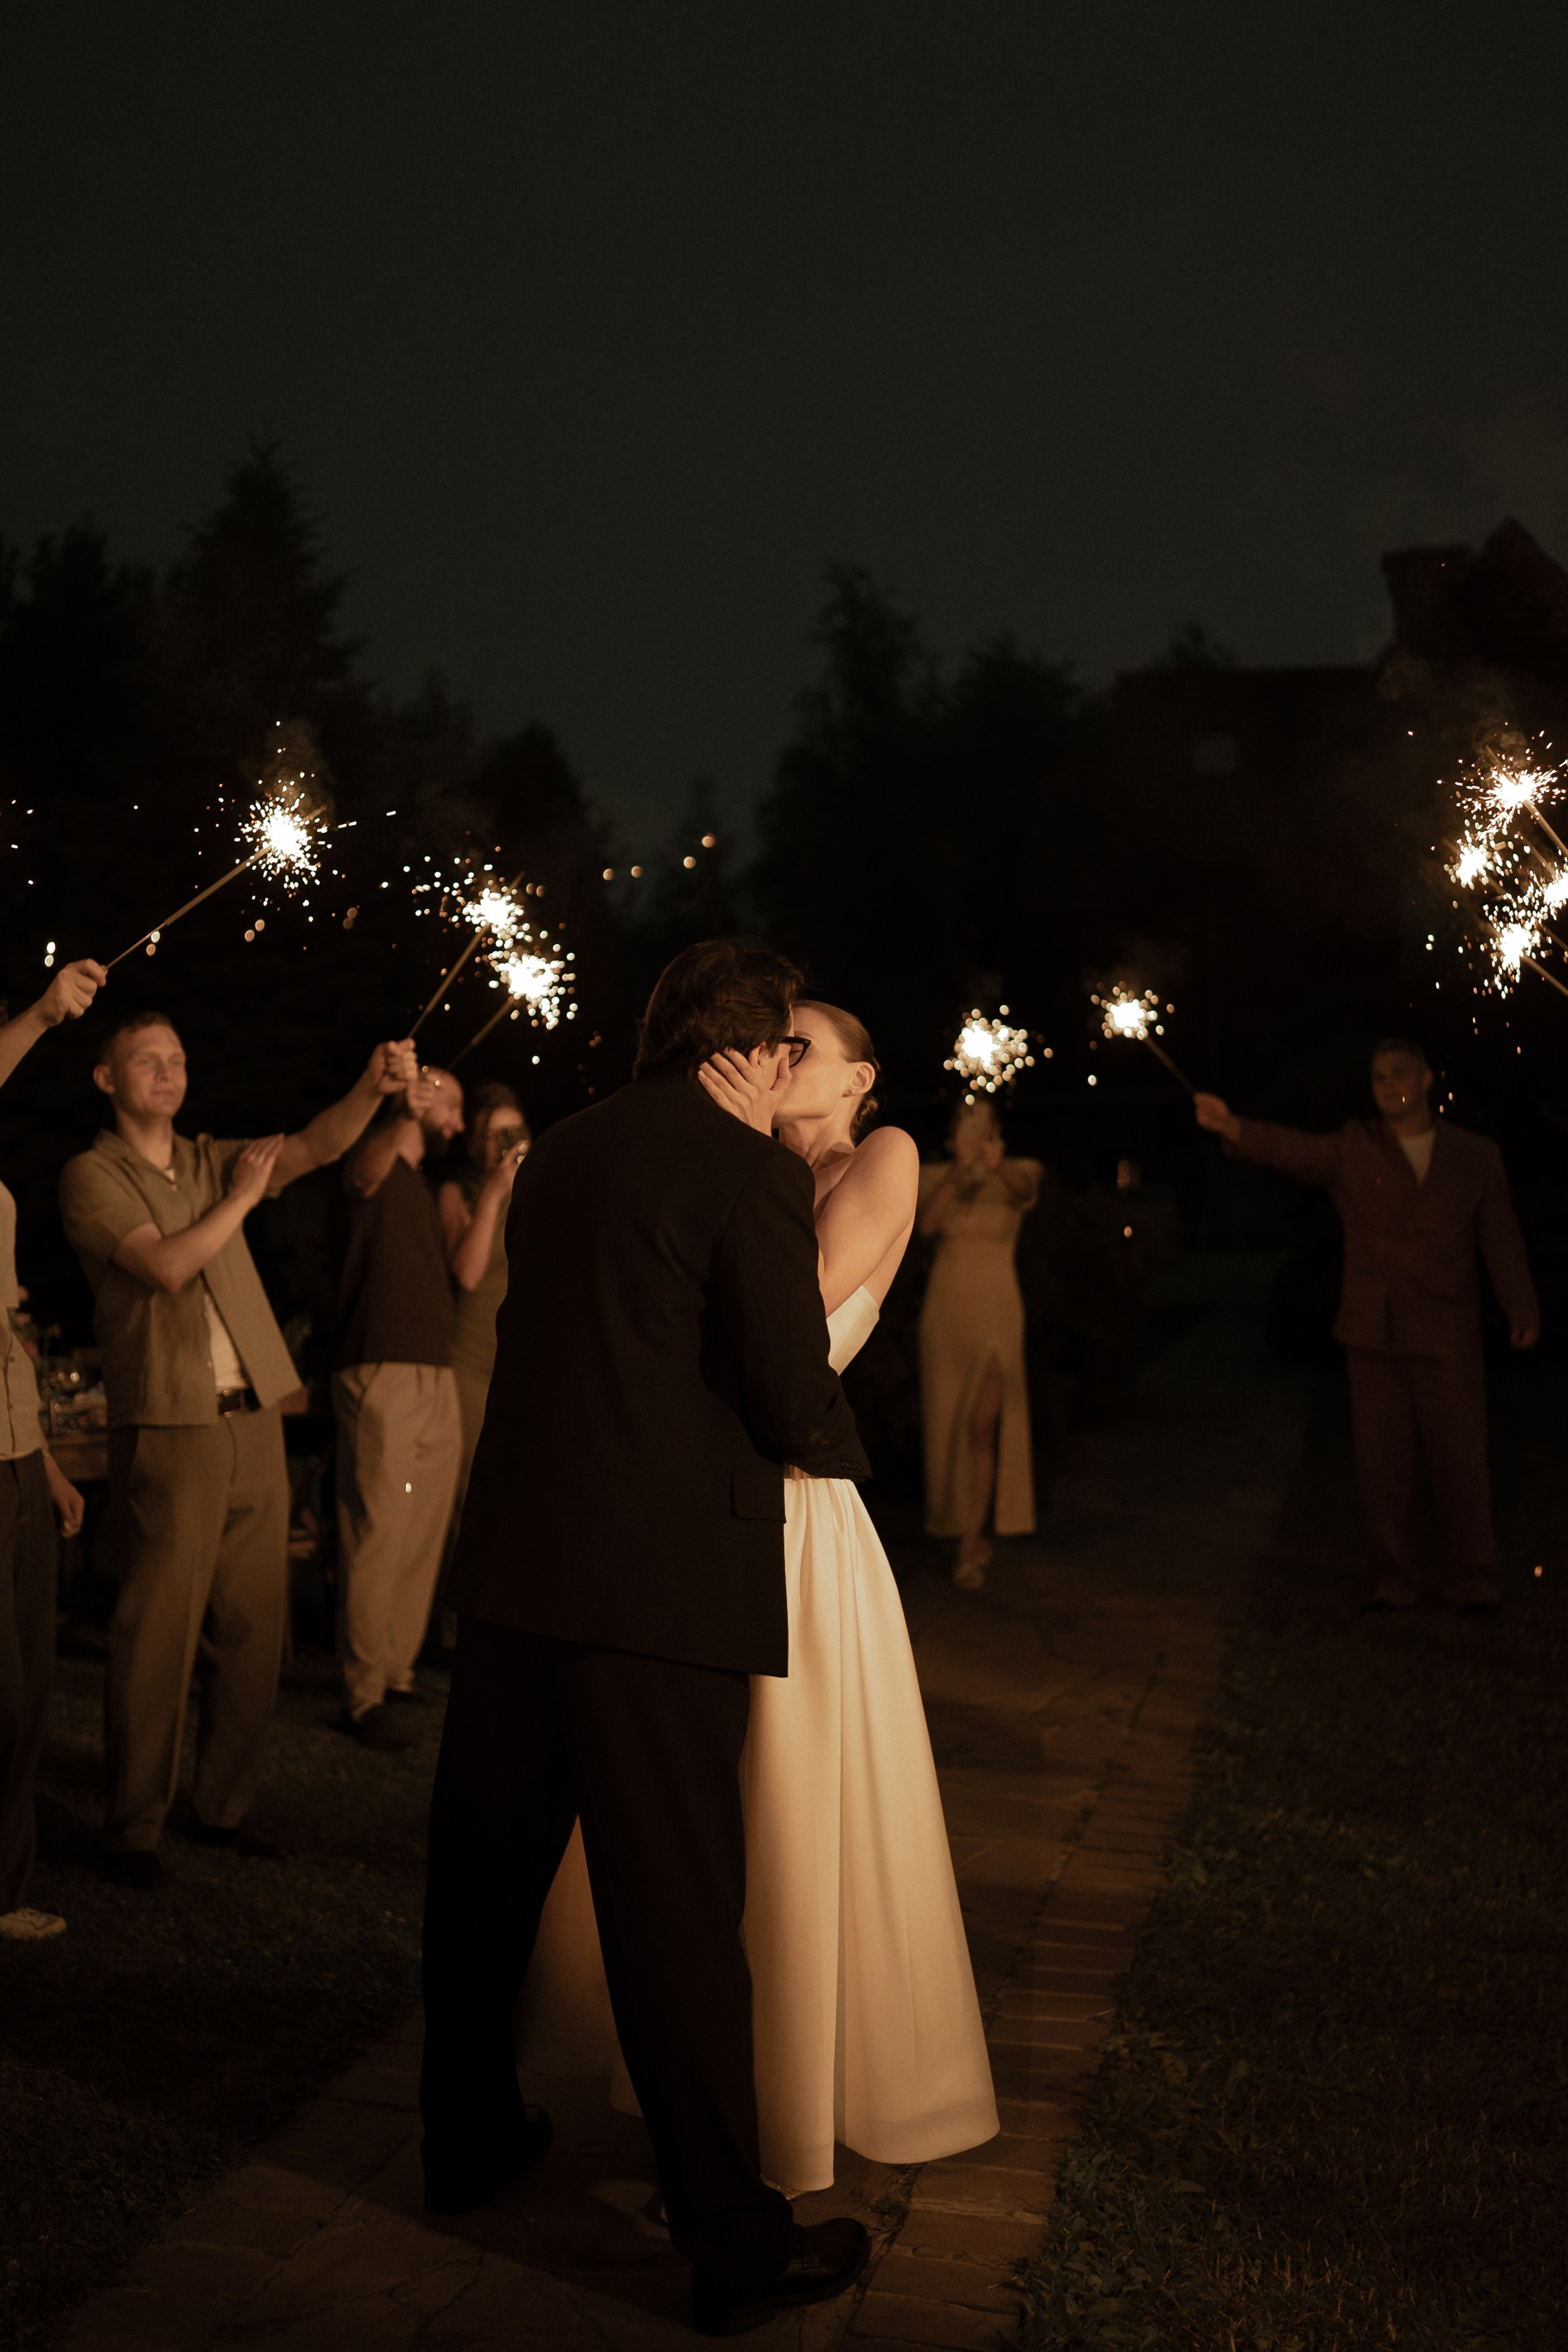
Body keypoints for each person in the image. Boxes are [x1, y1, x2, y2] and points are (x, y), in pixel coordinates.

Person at [422, 940, 874, 2338]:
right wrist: (847, 1467)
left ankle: (464, 2137)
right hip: (657, 1591)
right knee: (675, 1910)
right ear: (759, 1049)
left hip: (518, 1570)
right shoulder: (747, 1170)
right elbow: (787, 1386)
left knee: (482, 1878)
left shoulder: (559, 1149)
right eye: (787, 1044)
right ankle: (732, 2242)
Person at [518, 1003, 1001, 2197]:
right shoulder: (742, 1170)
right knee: (690, 1809)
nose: (776, 1058)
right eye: (768, 1041)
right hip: (699, 1513)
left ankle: (783, 2110)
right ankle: (688, 2092)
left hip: (793, 1521)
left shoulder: (880, 1156)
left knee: (787, 1800)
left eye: (802, 1046)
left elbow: (787, 1316)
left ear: (859, 1078)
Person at [59, 1012, 417, 1889]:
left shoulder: (211, 1157)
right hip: (170, 1418)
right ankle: (132, 1827)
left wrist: (371, 1087)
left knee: (254, 1628)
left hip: (253, 1411)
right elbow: (167, 1266)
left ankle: (221, 1807)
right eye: (148, 1060)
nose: (169, 1072)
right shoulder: (91, 1174)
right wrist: (242, 1199)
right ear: (107, 1079)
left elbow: (319, 1147)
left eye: (178, 1058)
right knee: (158, 1628)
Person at [1194, 1038, 1539, 1612]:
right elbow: (1295, 1150)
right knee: (1383, 1469)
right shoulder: (1355, 1148)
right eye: (1378, 1077)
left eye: (1399, 1073)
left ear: (1426, 1079)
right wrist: (1232, 1126)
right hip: (1374, 1332)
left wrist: (1519, 1305)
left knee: (1460, 1464)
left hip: (1446, 1331)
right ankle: (1394, 1582)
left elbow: (1499, 1235)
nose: (1388, 1085)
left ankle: (1474, 1582)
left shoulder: (1473, 1156)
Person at [1, 959, 105, 1942]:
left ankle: (4, 1887)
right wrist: (40, 1014)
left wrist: (42, 1459)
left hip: (11, 1456)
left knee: (29, 1682)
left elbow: (10, 1336)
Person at [332, 1065, 465, 1751]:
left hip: (435, 1370)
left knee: (421, 1529)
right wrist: (399, 1112)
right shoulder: (376, 1160)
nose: (460, 1124)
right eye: (453, 1106)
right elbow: (359, 1172)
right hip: (379, 1362)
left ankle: (395, 1669)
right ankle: (361, 1695)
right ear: (420, 1099)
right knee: (379, 1527)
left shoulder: (422, 1184)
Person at [917, 1098, 1042, 1588]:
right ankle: (960, 1523)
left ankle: (971, 1539)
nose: (974, 1133)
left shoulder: (1020, 1170)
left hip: (997, 1310)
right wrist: (957, 1173)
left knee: (982, 1424)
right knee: (948, 1425)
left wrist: (997, 1165)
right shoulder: (931, 1175)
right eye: (966, 1125)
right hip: (945, 1314)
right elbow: (926, 1226)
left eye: (984, 1125)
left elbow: (1025, 1191)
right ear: (952, 1134)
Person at [436, 1082, 529, 1588]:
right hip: (469, 1362)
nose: (505, 1145)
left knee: (521, 1489)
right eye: (494, 1136)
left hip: (519, 1361)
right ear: (477, 1143)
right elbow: (467, 1274)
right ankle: (455, 1618)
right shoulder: (459, 1194)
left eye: (514, 1133)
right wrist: (494, 1194)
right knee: (471, 1492)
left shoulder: (539, 1194)